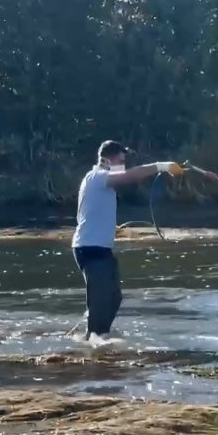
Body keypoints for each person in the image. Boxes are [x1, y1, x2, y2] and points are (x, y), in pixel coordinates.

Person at [72, 140, 183, 341]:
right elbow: (130, 176)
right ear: (107, 159)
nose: (122, 165)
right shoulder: (97, 176)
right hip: (89, 248)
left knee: (114, 297)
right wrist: (160, 166)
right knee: (102, 298)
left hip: (101, 248)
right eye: (120, 160)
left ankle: (97, 334)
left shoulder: (102, 181)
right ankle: (94, 339)